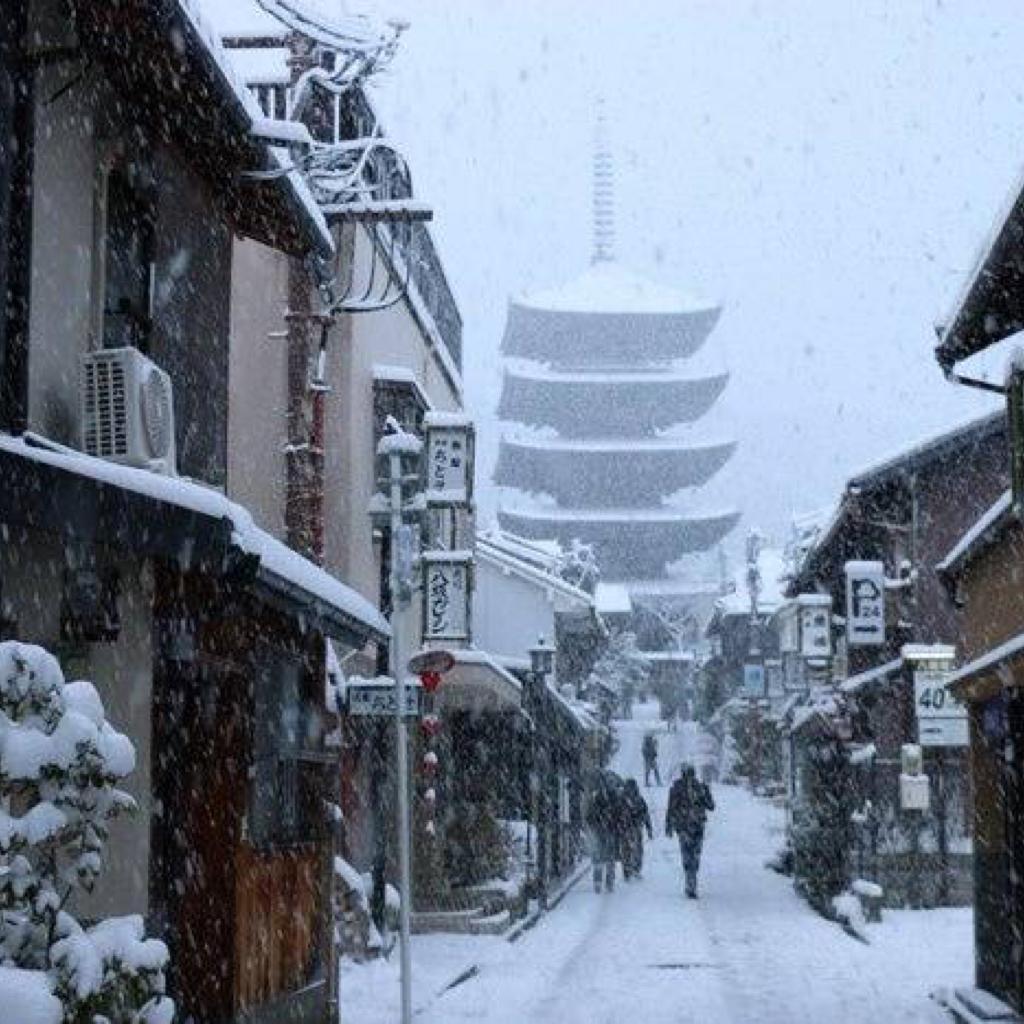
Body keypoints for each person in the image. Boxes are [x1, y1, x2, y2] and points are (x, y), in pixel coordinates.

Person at [665, 764, 715, 898]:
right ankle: (691, 884)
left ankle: (690, 884)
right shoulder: (698, 787)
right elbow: (711, 806)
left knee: (688, 856)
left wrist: (669, 826)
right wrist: (705, 793)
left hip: (685, 827)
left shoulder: (678, 789)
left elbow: (671, 808)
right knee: (694, 856)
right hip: (695, 827)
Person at [585, 771, 622, 893]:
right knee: (608, 857)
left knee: (599, 856)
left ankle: (599, 881)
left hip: (601, 830)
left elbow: (589, 815)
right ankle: (608, 881)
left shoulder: (598, 797)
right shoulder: (614, 797)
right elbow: (620, 815)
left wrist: (594, 824)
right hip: (607, 830)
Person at [618, 778, 653, 881]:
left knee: (628, 850)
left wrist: (649, 827)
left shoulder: (623, 799)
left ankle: (628, 870)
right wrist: (648, 828)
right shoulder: (637, 799)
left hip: (628, 827)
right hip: (632, 827)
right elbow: (646, 815)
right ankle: (633, 869)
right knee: (634, 849)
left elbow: (645, 814)